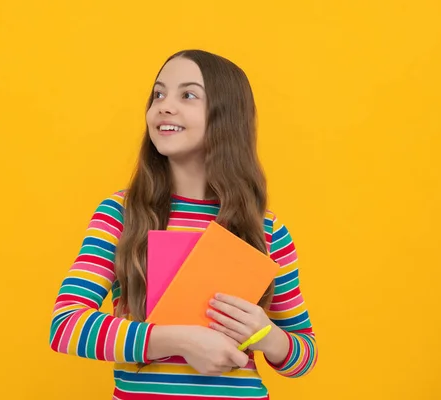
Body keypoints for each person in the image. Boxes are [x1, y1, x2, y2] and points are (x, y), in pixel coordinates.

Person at [49, 49, 318, 399]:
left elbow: (303, 354)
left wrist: (266, 334)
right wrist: (179, 340)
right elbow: (66, 326)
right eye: (158, 94)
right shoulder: (122, 213)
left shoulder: (266, 229)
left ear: (227, 117)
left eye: (187, 95)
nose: (164, 105)